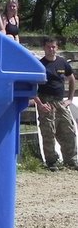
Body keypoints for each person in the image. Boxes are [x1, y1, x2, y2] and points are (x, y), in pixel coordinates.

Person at [33, 37, 78, 171]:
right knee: (48, 133)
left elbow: (71, 79)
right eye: (48, 47)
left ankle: (71, 160)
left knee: (69, 131)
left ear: (57, 48)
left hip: (60, 102)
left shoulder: (62, 63)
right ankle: (52, 162)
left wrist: (70, 99)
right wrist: (39, 104)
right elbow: (30, 86)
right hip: (45, 102)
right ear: (44, 48)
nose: (51, 49)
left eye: (53, 47)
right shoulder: (40, 65)